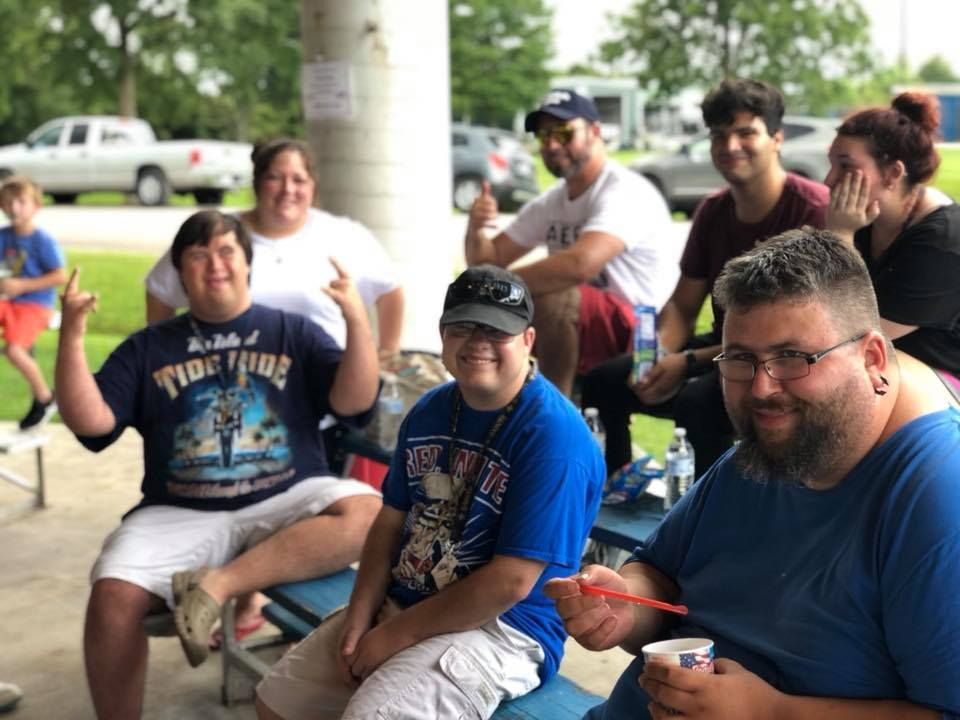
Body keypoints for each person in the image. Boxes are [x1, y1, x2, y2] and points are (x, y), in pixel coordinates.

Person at [547, 229, 960, 719]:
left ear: (870, 358)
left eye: (792, 358)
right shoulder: (769, 450)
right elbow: (660, 574)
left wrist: (772, 712)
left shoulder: (936, 494)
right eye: (741, 359)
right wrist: (625, 605)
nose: (762, 389)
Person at [55, 210, 383, 719]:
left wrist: (356, 318)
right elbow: (92, 422)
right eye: (198, 254)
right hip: (179, 507)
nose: (215, 264)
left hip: (287, 494)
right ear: (181, 273)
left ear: (247, 264)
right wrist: (72, 335)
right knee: (112, 598)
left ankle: (215, 588)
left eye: (227, 250)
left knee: (371, 516)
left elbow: (352, 401)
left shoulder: (291, 331)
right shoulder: (149, 346)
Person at [254, 266, 606, 720]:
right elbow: (390, 520)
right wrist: (360, 616)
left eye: (497, 330)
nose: (478, 340)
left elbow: (512, 581)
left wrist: (392, 636)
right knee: (275, 704)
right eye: (463, 327)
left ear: (528, 341)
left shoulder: (556, 439)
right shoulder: (432, 409)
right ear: (443, 337)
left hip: (503, 629)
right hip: (410, 600)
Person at [582, 79, 829, 478]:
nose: (730, 146)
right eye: (719, 135)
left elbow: (798, 330)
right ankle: (615, 494)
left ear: (777, 138)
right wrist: (656, 358)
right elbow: (683, 305)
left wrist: (687, 361)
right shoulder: (713, 210)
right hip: (723, 348)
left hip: (781, 360)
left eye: (746, 132)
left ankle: (710, 518)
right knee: (605, 381)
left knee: (698, 401)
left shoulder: (812, 211)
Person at [464, 89, 677, 397]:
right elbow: (490, 259)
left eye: (563, 132)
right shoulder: (553, 201)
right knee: (486, 308)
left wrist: (497, 289)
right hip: (583, 327)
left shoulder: (625, 191)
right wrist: (476, 230)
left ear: (595, 132)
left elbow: (580, 264)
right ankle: (499, 410)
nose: (551, 144)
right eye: (543, 135)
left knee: (551, 294)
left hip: (640, 331)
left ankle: (556, 413)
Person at [145, 137, 404, 354]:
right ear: (257, 183)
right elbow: (160, 290)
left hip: (326, 392)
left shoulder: (344, 235)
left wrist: (387, 357)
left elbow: (391, 291)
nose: (287, 189)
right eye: (275, 178)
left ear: (313, 186)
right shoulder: (219, 233)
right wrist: (166, 354)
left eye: (299, 180)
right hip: (230, 391)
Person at [825, 90, 960, 398]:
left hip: (942, 390)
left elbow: (852, 336)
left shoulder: (945, 242)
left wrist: (840, 238)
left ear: (893, 173)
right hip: (885, 375)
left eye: (845, 165)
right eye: (831, 164)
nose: (829, 180)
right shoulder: (865, 219)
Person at [0, 176, 66, 429]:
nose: (14, 208)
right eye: (8, 202)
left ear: (36, 206)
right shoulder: (3, 236)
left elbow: (59, 275)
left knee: (15, 350)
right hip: (7, 301)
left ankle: (45, 398)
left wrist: (22, 286)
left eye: (21, 201)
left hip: (34, 304)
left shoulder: (42, 240)